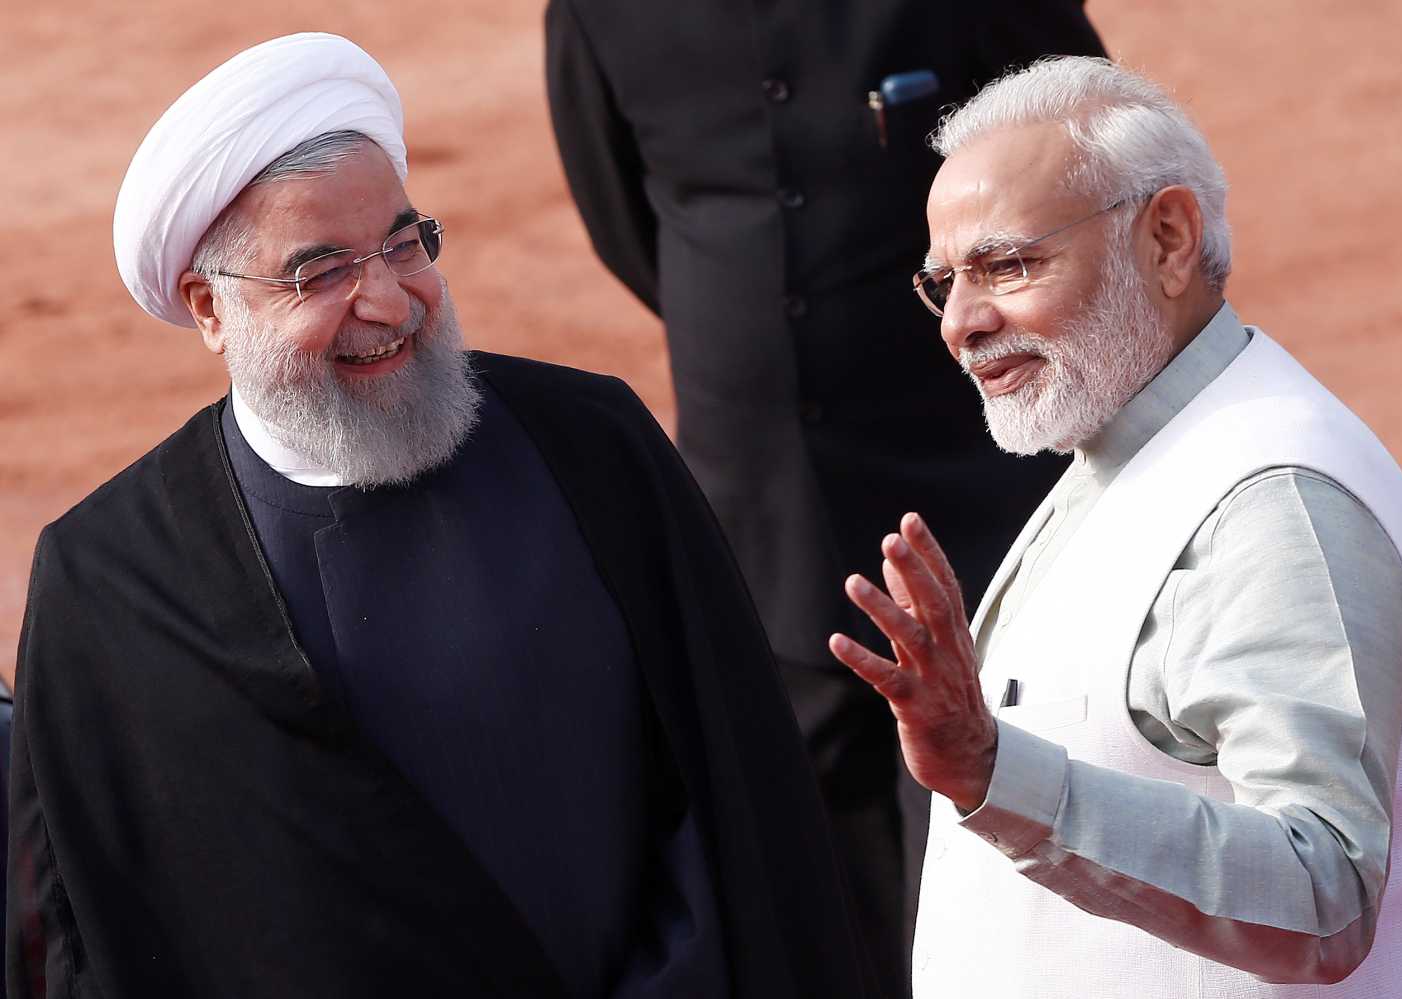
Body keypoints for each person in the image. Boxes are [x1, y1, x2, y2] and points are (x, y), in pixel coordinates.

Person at [6, 33, 872, 998]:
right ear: (210, 308)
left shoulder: (592, 448)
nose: (387, 298)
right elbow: (110, 933)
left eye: (405, 241)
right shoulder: (111, 585)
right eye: (320, 269)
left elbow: (737, 810)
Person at [830, 56, 1402, 997]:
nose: (960, 321)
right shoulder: (1132, 443)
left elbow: (1323, 891)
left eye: (1006, 264)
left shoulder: (1273, 507)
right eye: (943, 282)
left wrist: (999, 774)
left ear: (1168, 239)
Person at [544, 6, 1105, 991]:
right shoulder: (599, 13)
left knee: (1004, 865)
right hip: (760, 516)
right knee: (810, 882)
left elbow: (1089, 153)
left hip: (975, 497)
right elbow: (628, 223)